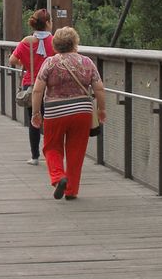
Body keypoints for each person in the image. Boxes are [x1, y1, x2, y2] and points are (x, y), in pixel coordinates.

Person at [30, 27, 106, 200]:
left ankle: (58, 177)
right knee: (76, 151)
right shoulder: (87, 62)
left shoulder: (50, 63)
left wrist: (36, 112)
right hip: (82, 112)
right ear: (75, 43)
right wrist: (102, 109)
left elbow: (37, 90)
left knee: (51, 147)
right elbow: (99, 88)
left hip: (55, 112)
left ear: (55, 44)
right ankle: (71, 190)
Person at [8, 9, 54, 165]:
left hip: (31, 84)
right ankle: (51, 155)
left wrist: (26, 63)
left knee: (34, 119)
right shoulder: (54, 41)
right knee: (50, 120)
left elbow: (12, 60)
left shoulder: (26, 41)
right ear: (47, 23)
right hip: (50, 85)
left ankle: (35, 157)